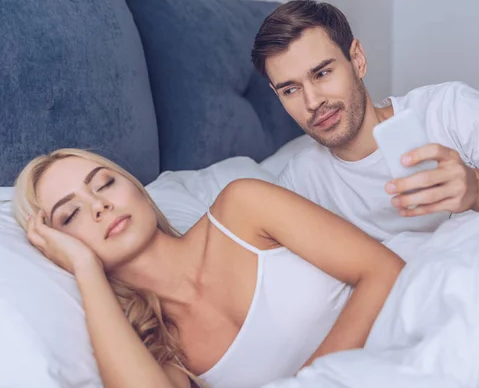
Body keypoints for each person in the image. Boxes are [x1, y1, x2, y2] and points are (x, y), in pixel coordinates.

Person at [13, 148, 405, 388]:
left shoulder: (242, 208)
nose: (99, 205)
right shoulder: (159, 347)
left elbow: (384, 270)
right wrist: (85, 269)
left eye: (104, 183)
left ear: (136, 188)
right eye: (71, 214)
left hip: (409, 340)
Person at [251, 0, 479, 242]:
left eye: (322, 73)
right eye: (291, 90)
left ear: (357, 60)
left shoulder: (448, 109)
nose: (313, 102)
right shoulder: (298, 184)